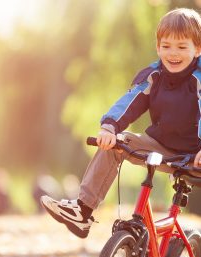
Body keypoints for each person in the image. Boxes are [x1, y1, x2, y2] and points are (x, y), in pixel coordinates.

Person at [41, 8, 201, 238]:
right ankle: (83, 210)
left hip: (195, 155)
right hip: (161, 147)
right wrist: (109, 127)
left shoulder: (198, 80)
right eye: (166, 46)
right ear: (158, 48)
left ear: (197, 49)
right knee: (117, 143)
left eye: (181, 47)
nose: (172, 53)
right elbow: (129, 102)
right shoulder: (154, 76)